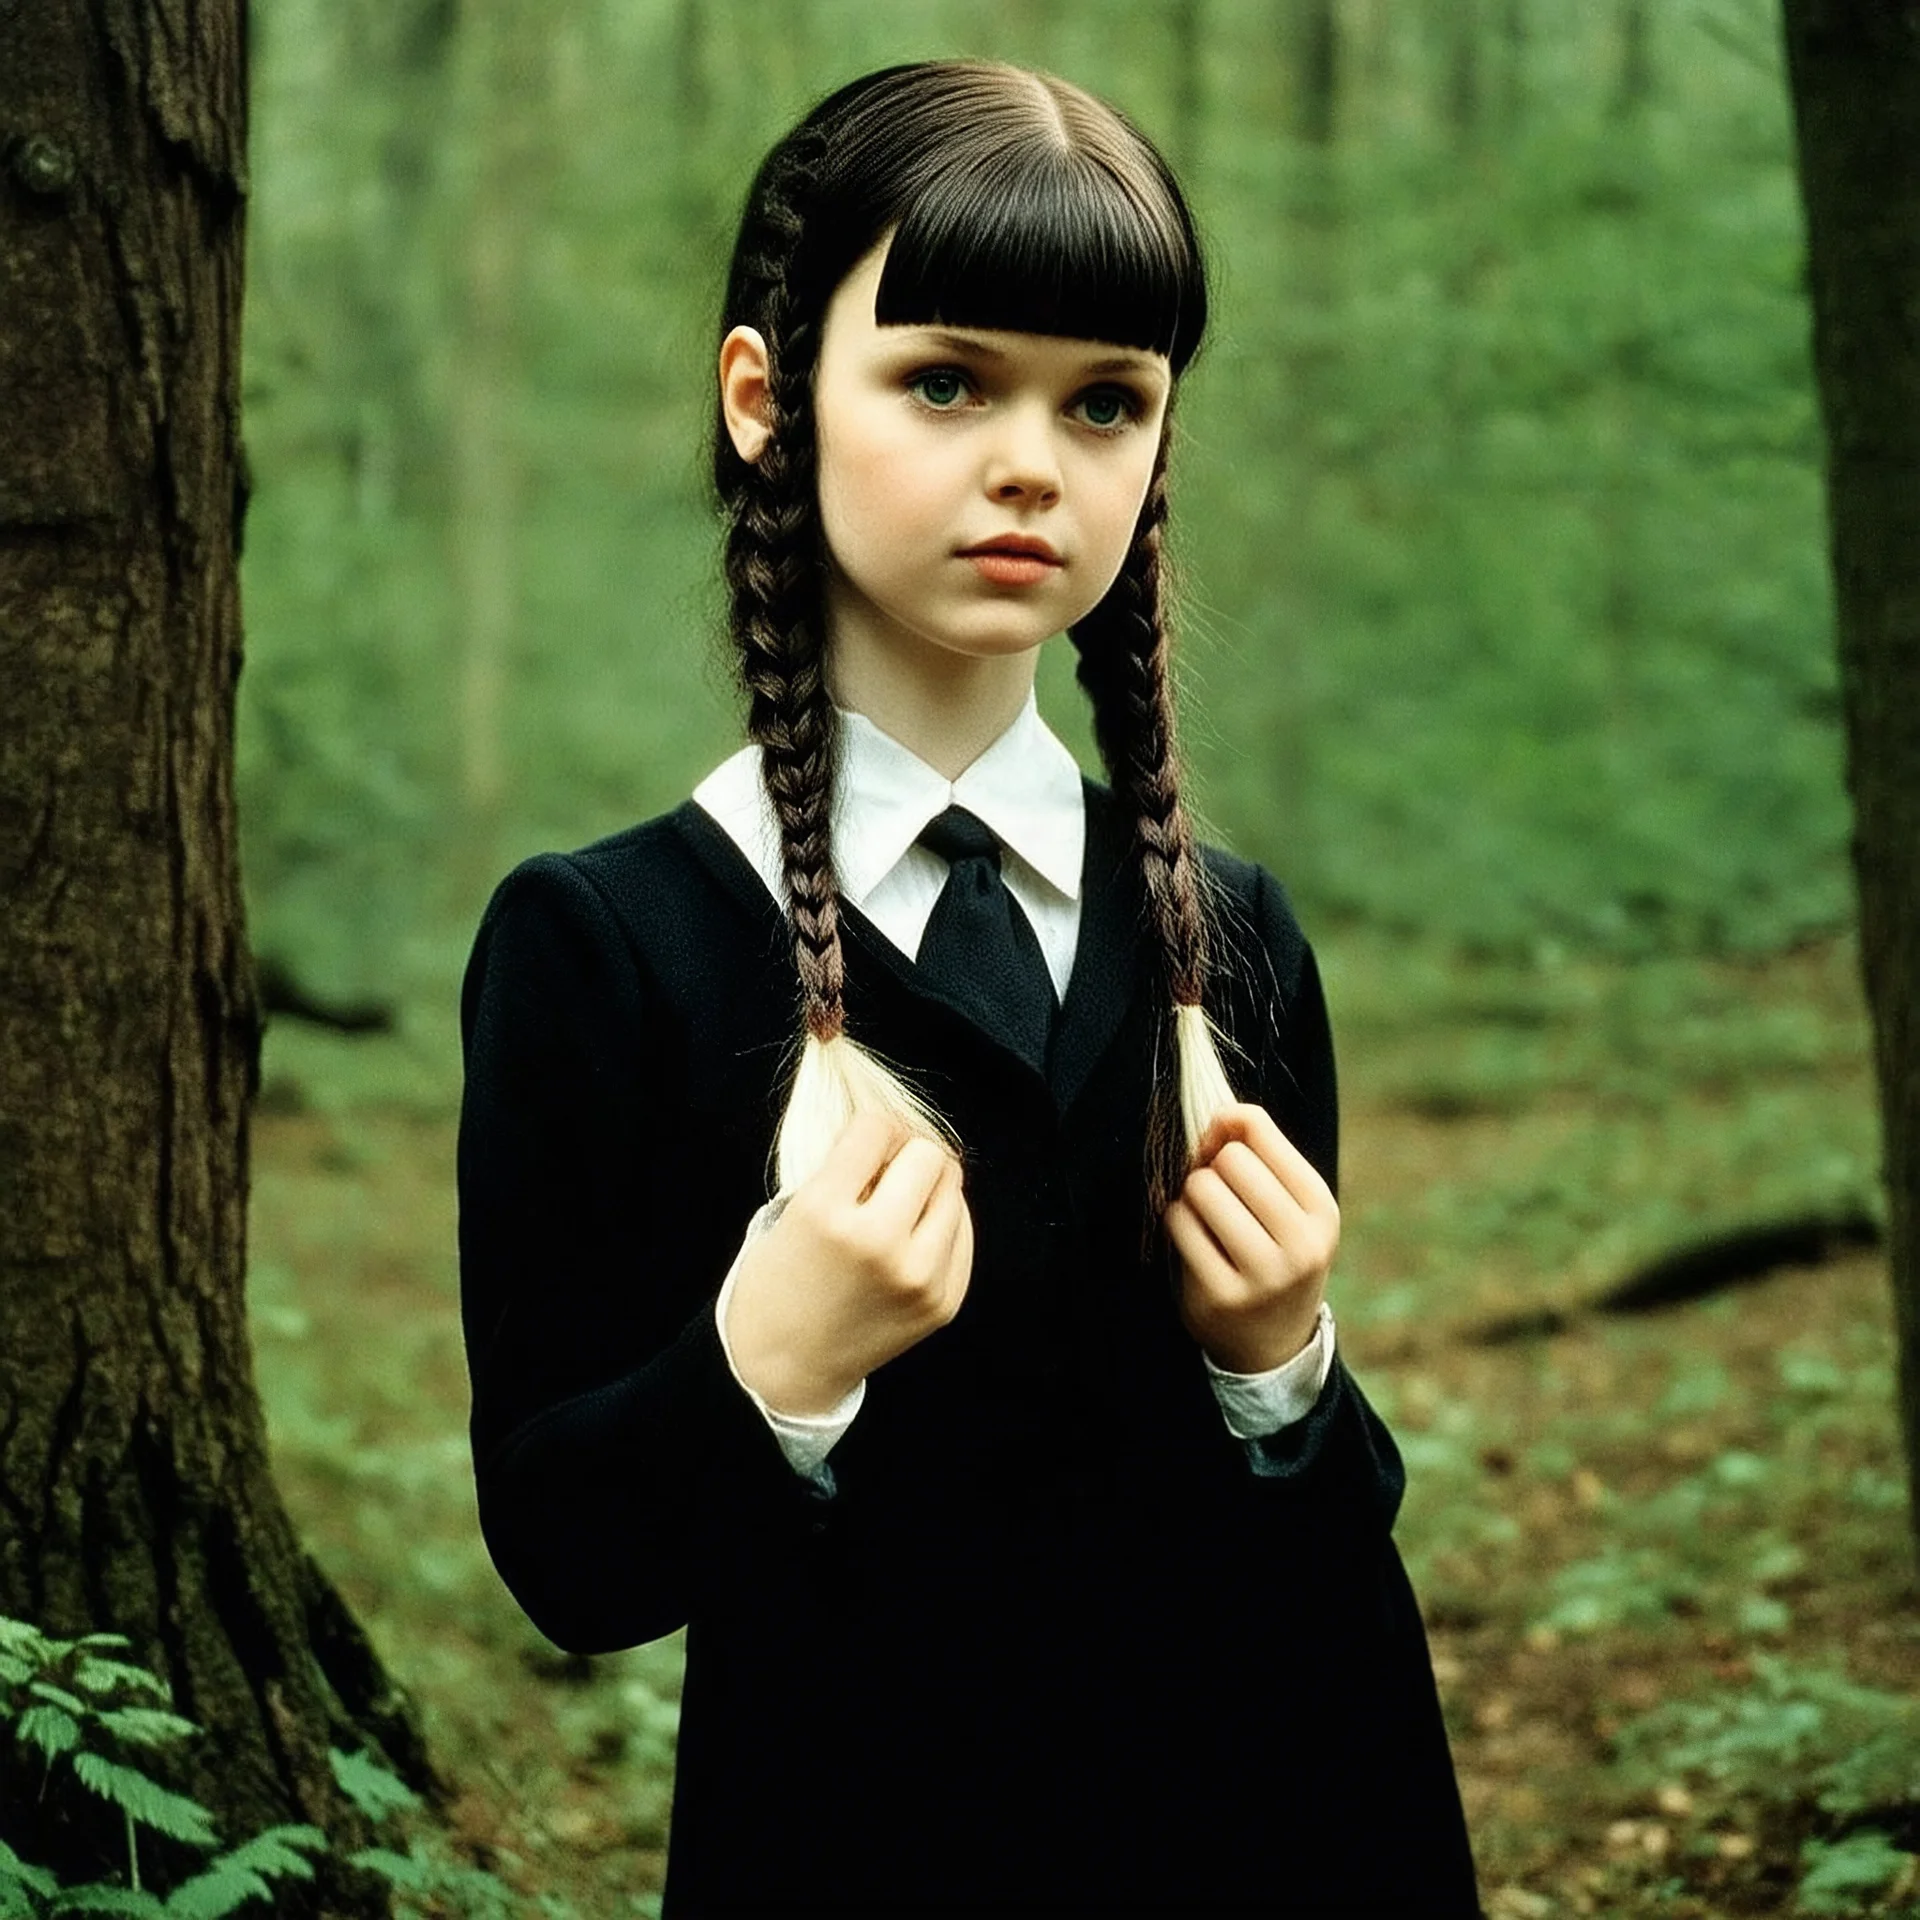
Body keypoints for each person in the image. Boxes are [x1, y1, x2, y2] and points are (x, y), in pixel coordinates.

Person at [458, 58, 1480, 1917]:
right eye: (946, 379)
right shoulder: (607, 946)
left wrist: (1283, 1371)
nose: (1034, 461)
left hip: (1294, 1828)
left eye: (1107, 402)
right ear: (767, 396)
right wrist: (769, 1363)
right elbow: (573, 1564)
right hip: (868, 1848)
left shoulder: (1229, 936)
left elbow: (1335, 1532)